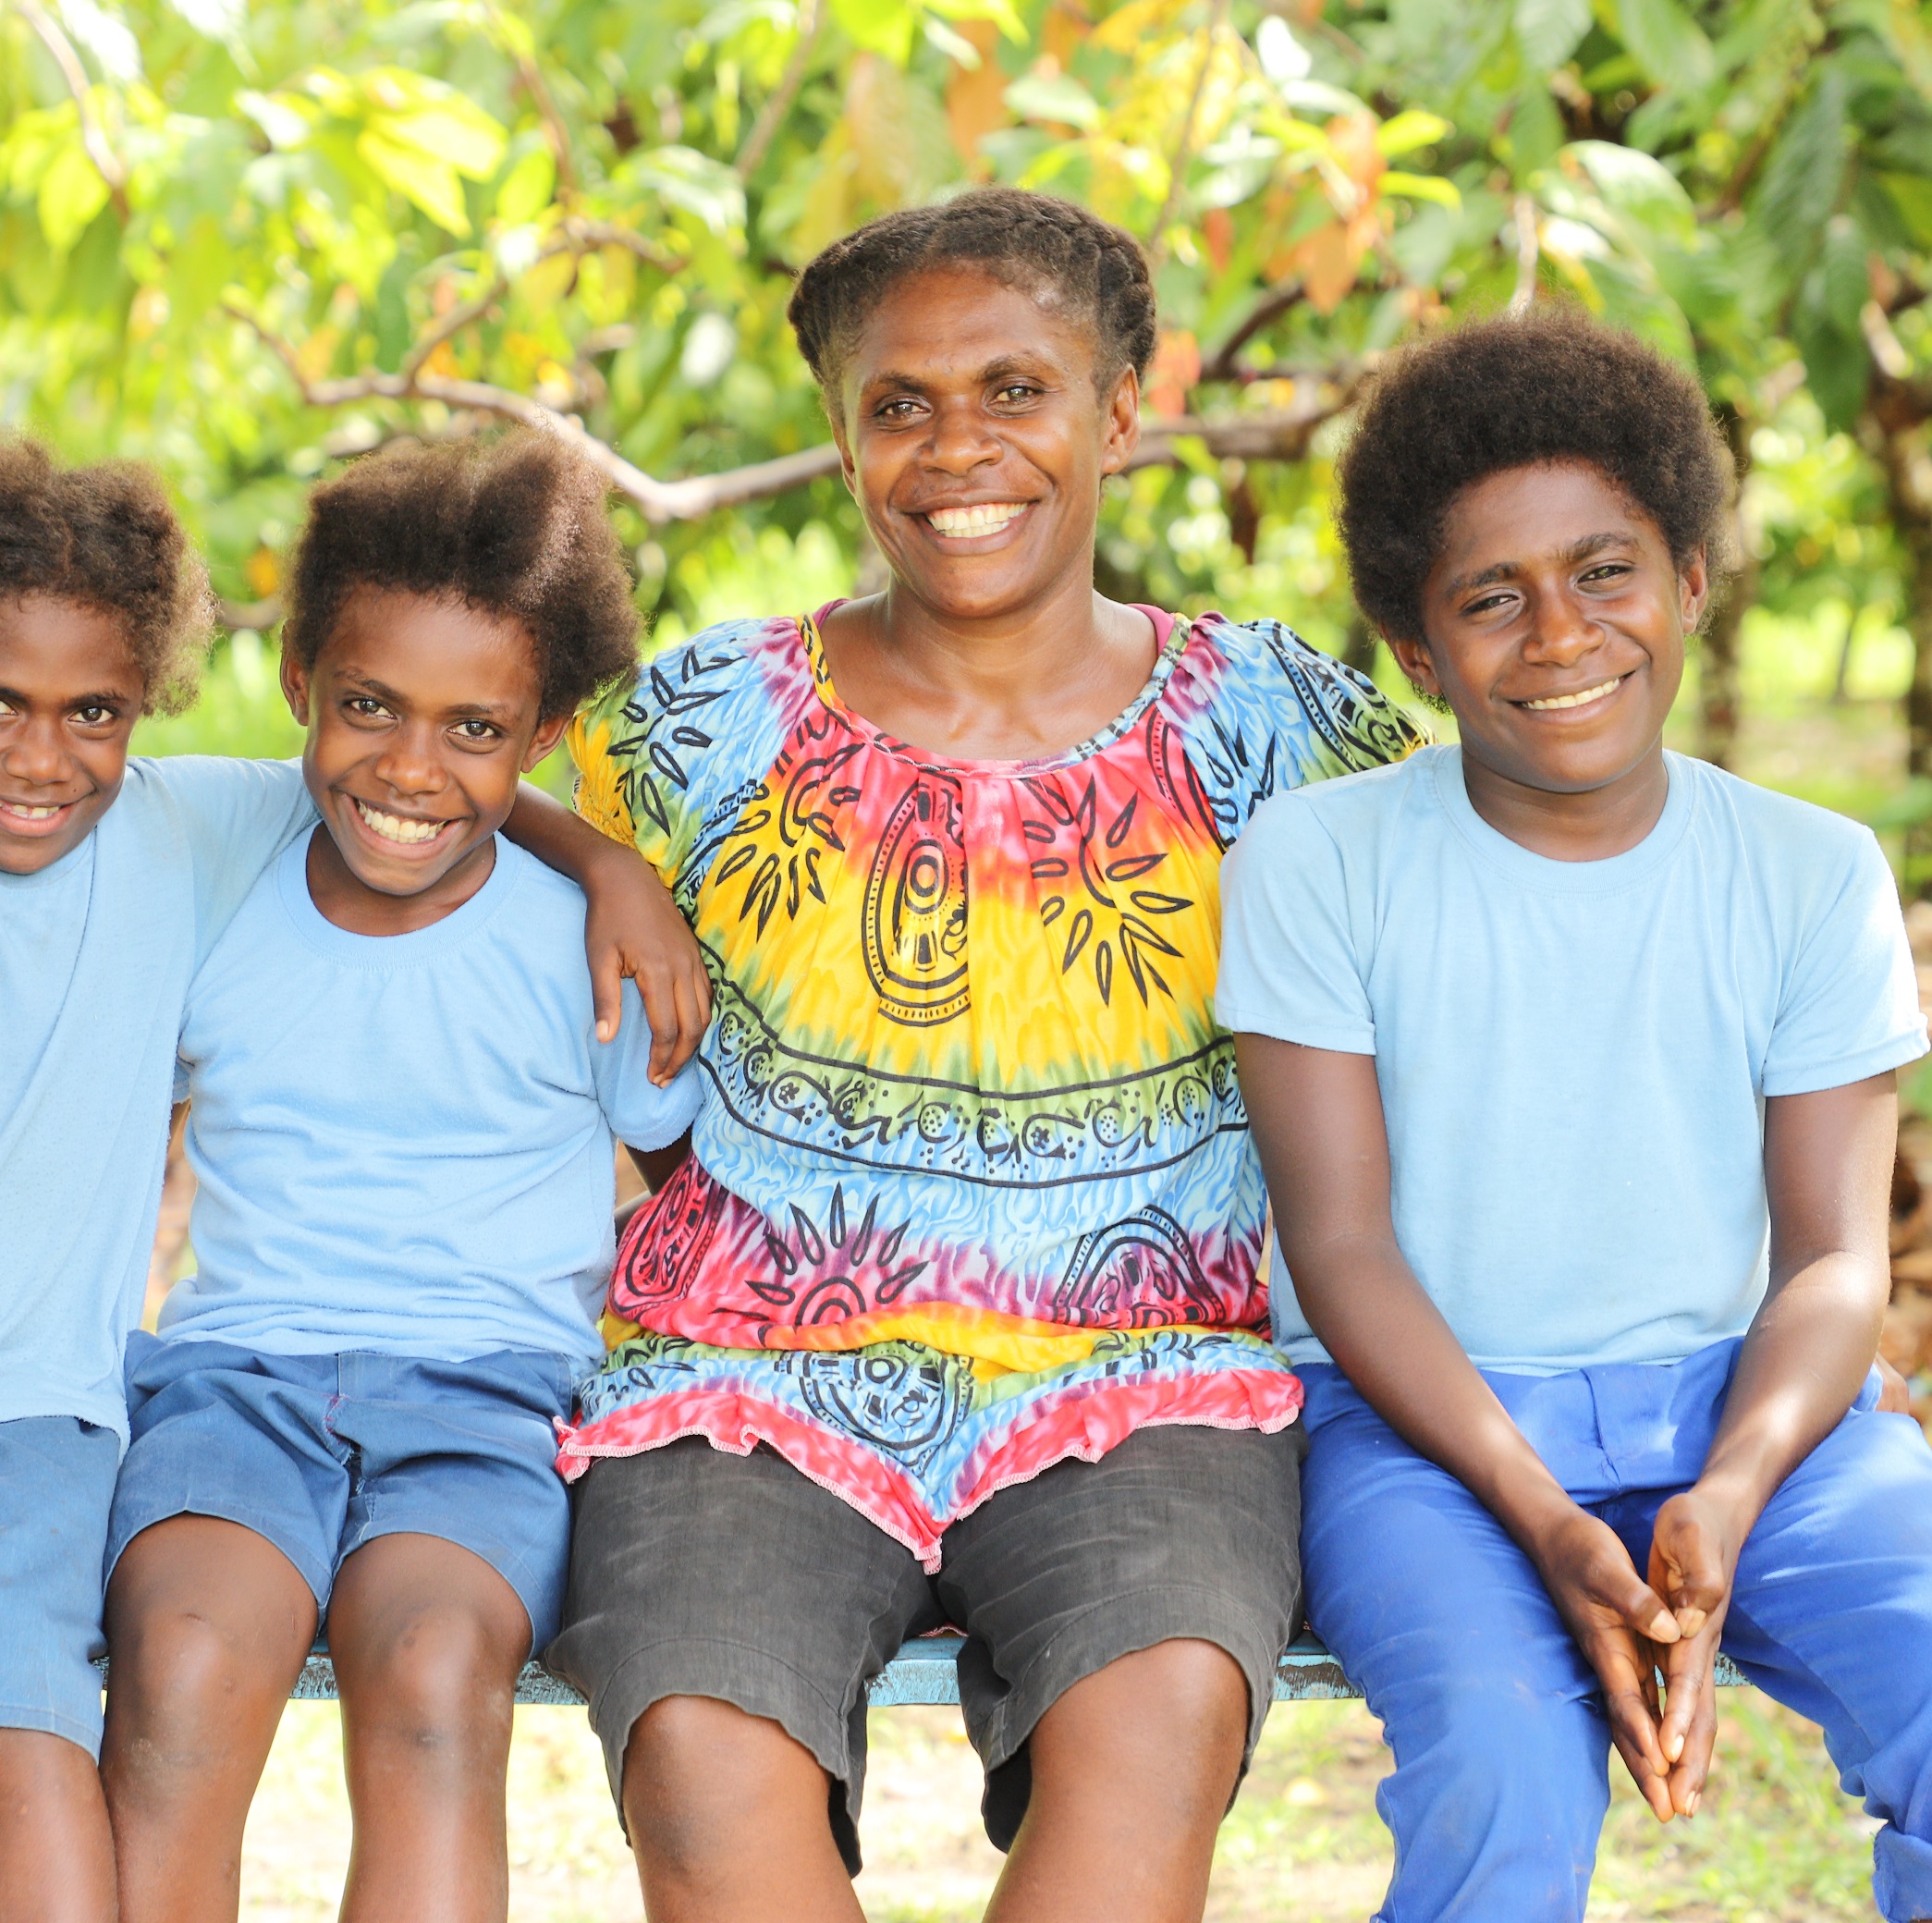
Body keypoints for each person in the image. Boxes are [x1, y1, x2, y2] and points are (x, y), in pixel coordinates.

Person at [0, 439, 703, 1923]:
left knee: (229, 1693)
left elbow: (449, 778)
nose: (43, 755)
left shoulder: (227, 840)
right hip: (2, 1401)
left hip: (204, 1412)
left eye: (93, 713)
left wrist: (606, 863)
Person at [544, 187, 1423, 1923]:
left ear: (1123, 409)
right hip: (742, 1384)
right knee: (705, 1753)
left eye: (1017, 390)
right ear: (839, 431)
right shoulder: (692, 732)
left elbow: (1489, 987)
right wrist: (595, 855)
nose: (960, 450)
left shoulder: (1288, 732)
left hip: (1150, 1372)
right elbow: (452, 819)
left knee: (1160, 1708)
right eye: (900, 405)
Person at [1218, 311, 1932, 1923]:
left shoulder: (1808, 870)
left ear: (1693, 582)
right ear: (1420, 656)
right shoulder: (1319, 865)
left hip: (1752, 1415)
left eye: (1605, 571)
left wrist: (1731, 1485)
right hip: (1429, 1439)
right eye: (1490, 598)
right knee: (1503, 1763)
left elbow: (1839, 1265)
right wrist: (1542, 1513)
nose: (1560, 632)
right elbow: (1342, 1247)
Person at [95, 434, 703, 1923]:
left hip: (493, 1399)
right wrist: (593, 845)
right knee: (179, 1660)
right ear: (300, 678)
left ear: (542, 732)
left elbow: (695, 1183)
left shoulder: (594, 942)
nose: (410, 768)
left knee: (432, 1671)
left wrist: (612, 869)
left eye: (473, 729)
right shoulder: (214, 853)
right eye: (367, 707)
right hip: (235, 1378)